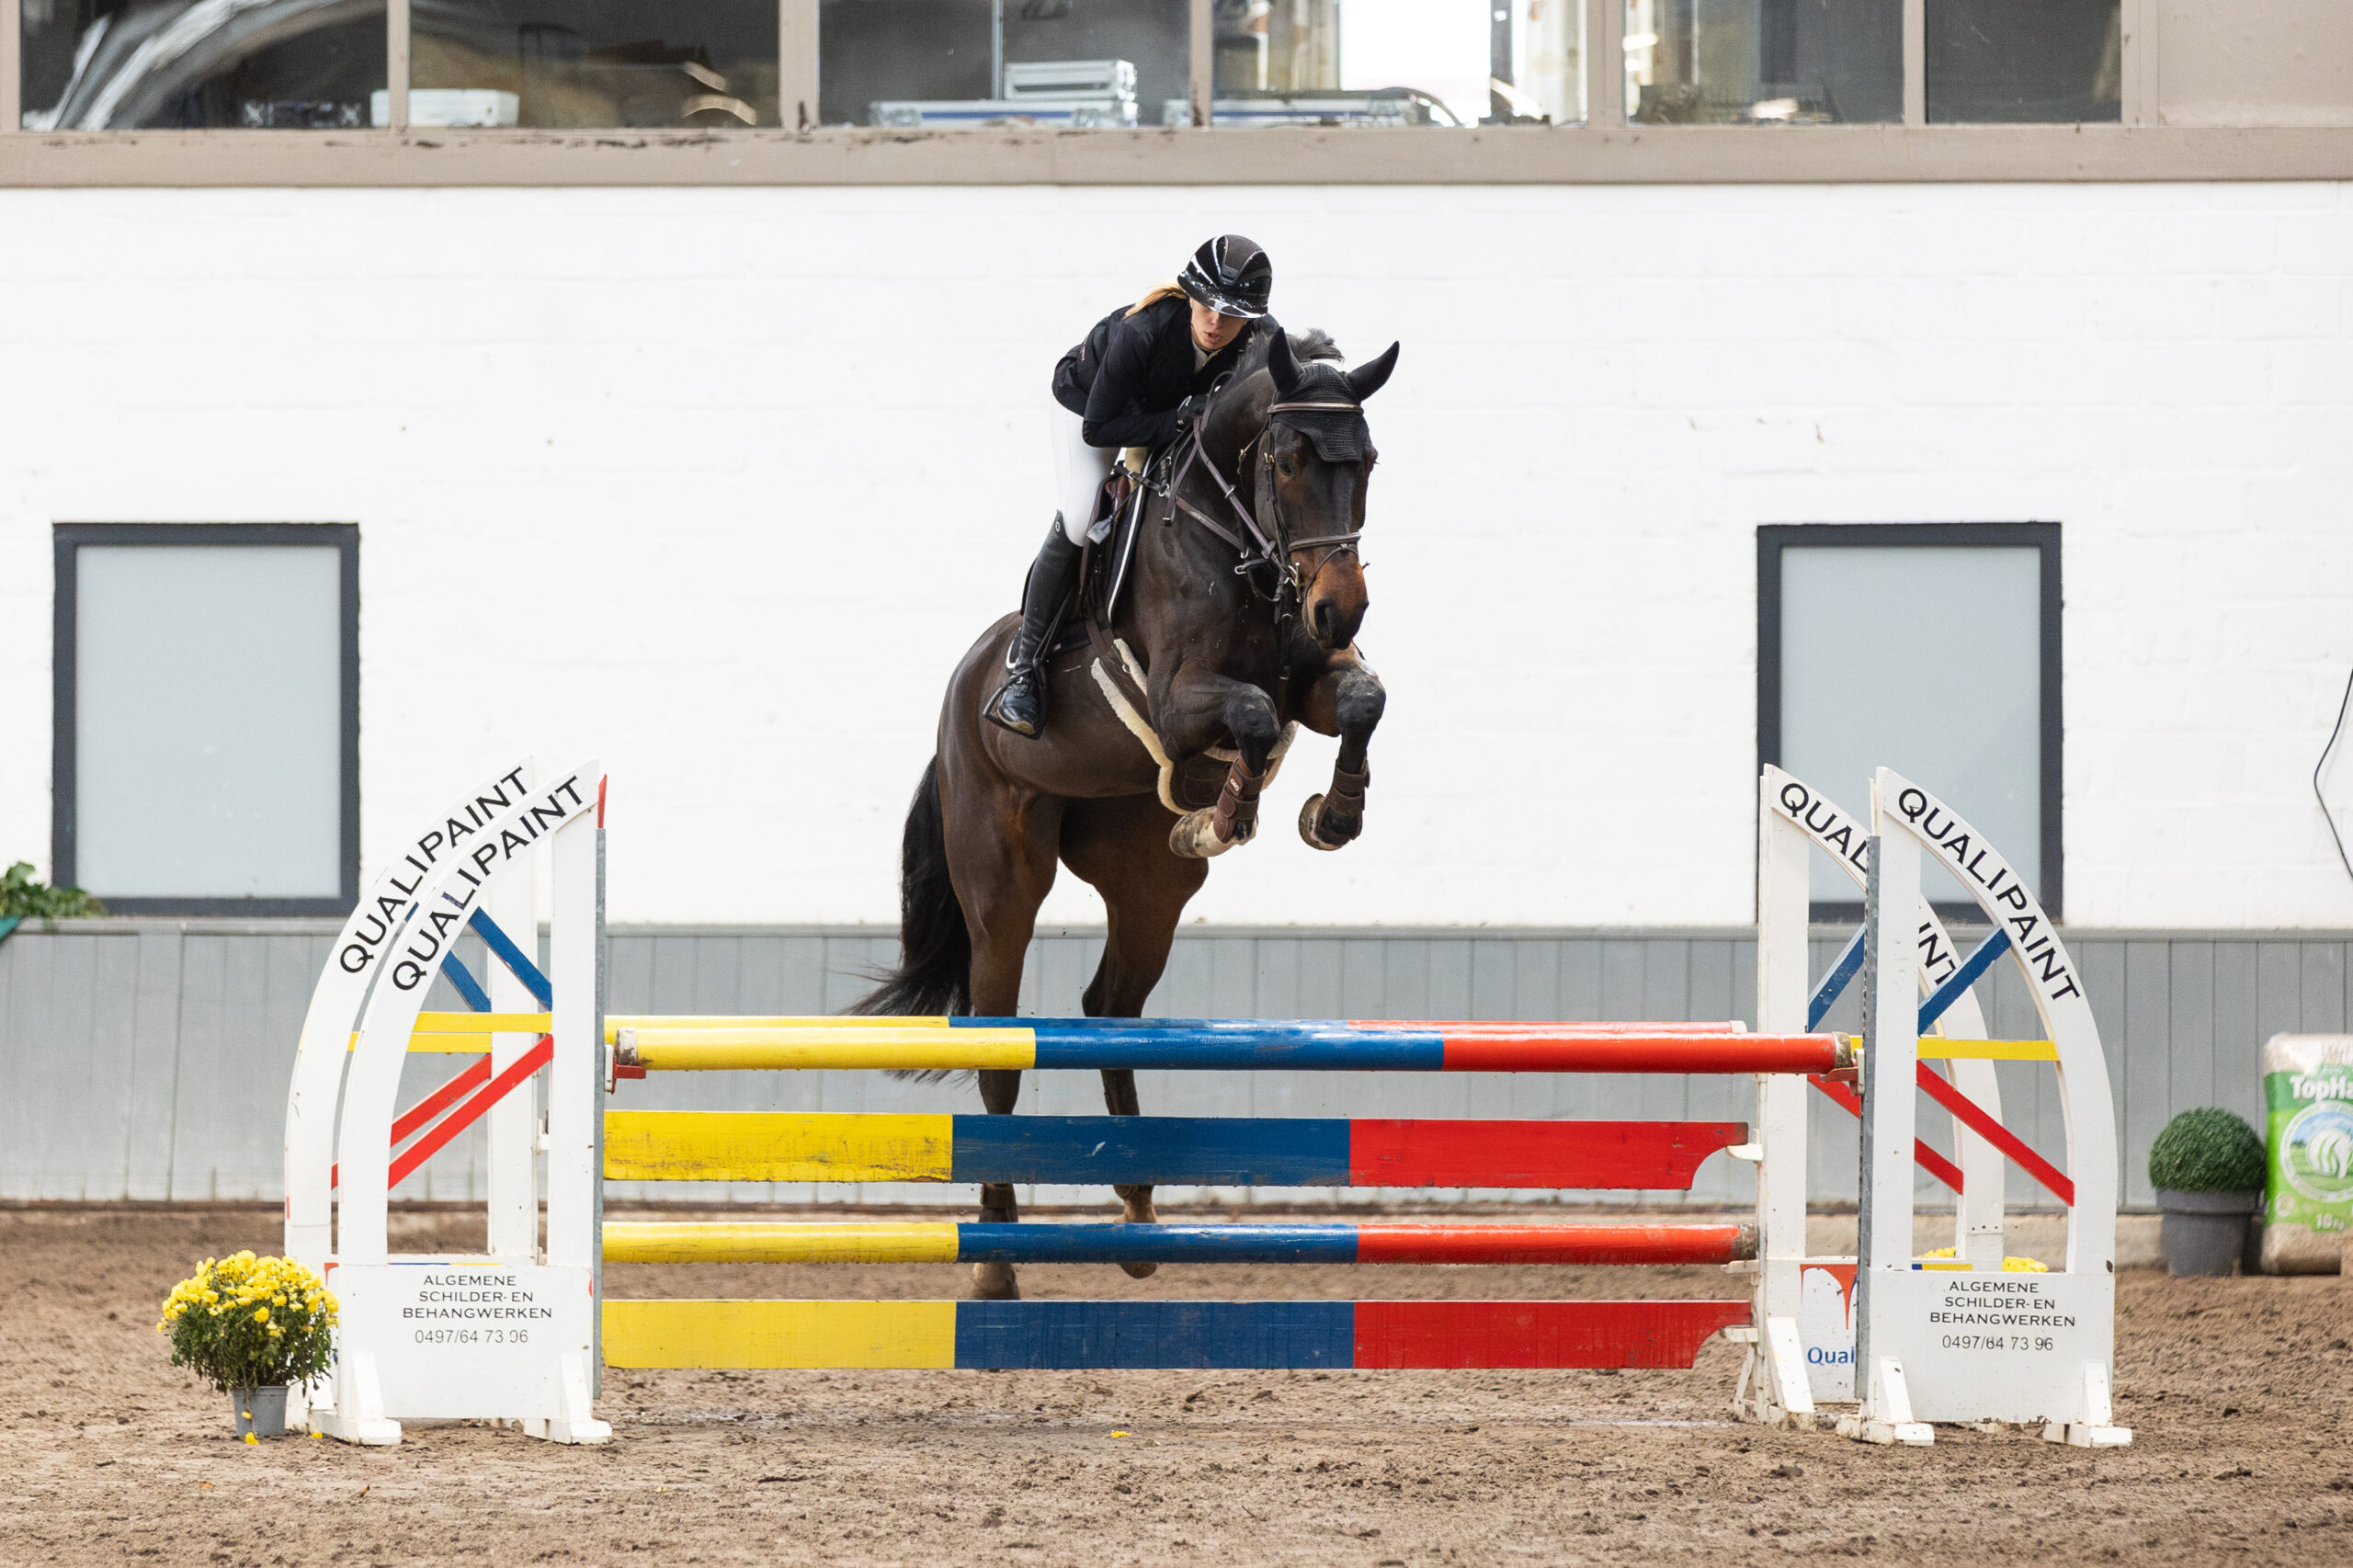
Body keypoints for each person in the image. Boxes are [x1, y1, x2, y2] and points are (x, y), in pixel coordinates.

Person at [982, 233, 1276, 738]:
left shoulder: (1259, 339)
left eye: (1232, 315)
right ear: (1191, 295)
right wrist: (1180, 418)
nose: (1215, 323)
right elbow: (1100, 428)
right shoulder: (1141, 332)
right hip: (1091, 407)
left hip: (1167, 414)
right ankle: (1023, 669)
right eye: (1207, 306)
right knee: (1080, 515)